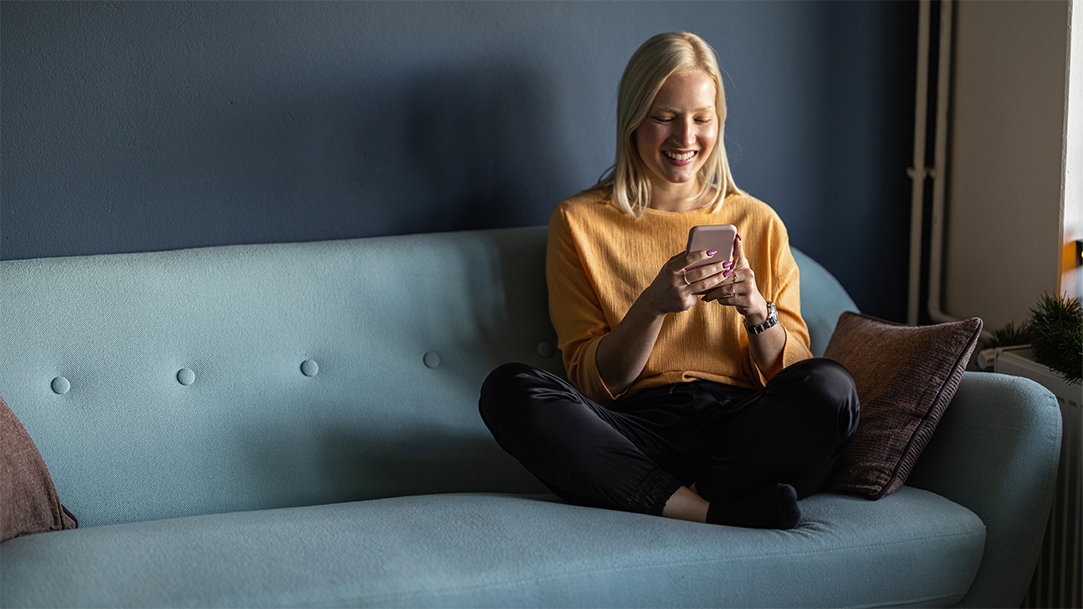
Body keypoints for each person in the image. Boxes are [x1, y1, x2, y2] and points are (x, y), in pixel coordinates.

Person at [479, 32, 859, 529]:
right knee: (509, 390)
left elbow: (793, 374)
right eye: (664, 117)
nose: (685, 138)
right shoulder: (578, 222)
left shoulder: (759, 221)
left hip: (742, 430)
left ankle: (661, 496)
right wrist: (652, 306)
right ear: (634, 119)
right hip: (638, 429)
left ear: (719, 122)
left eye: (702, 118)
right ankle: (704, 510)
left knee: (832, 386)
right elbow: (594, 384)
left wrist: (757, 312)